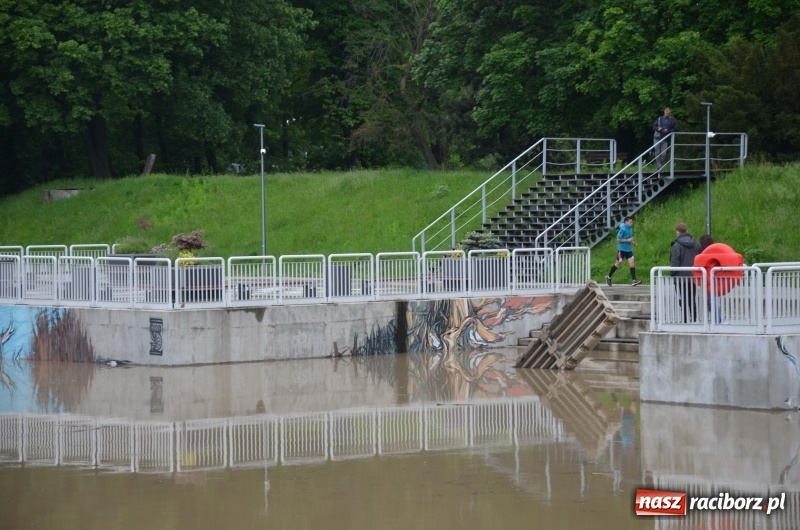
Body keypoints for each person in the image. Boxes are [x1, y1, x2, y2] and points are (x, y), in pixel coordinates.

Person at [670, 223, 701, 322]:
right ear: (687, 231)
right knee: (692, 298)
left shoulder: (676, 245)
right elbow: (700, 258)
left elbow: (675, 262)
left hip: (680, 278)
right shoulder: (696, 244)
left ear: (678, 232)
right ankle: (694, 318)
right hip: (693, 276)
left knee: (682, 299)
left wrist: (672, 274)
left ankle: (685, 319)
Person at [605, 216, 641, 286]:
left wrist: (633, 242)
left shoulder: (630, 229)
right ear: (626, 222)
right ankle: (608, 277)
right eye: (630, 222)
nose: (631, 223)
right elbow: (618, 240)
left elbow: (630, 238)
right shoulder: (622, 229)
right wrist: (627, 240)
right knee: (618, 264)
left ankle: (634, 280)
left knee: (632, 263)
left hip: (629, 250)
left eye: (632, 222)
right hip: (621, 250)